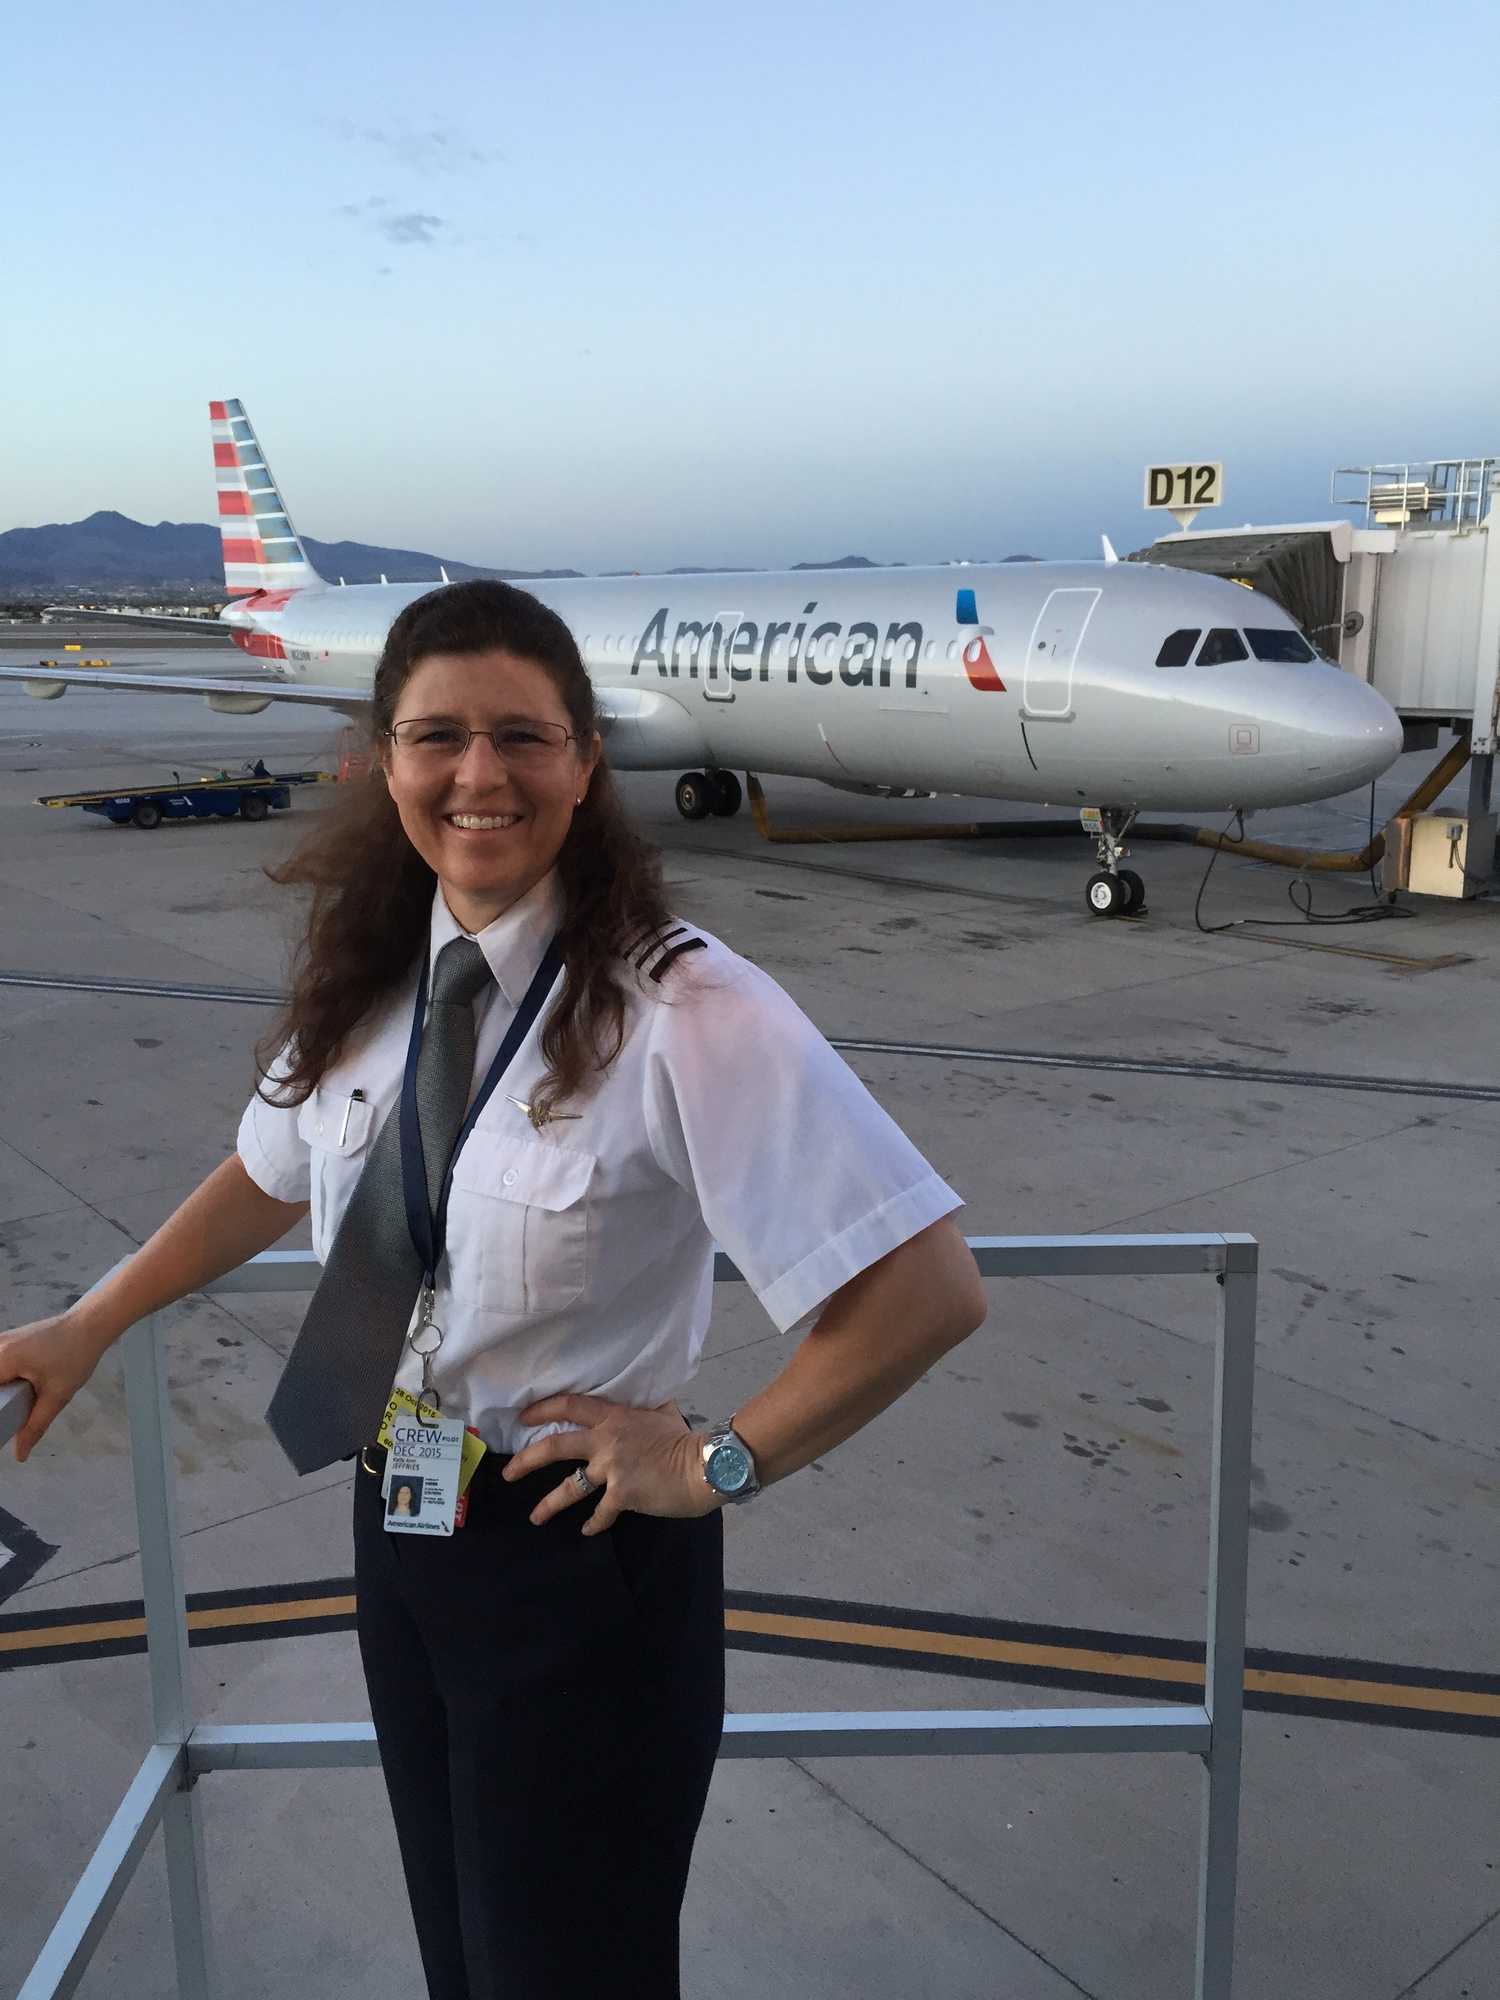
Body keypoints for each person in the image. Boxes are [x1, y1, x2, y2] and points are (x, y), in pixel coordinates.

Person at [0, 579, 986, 2000]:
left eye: (522, 737)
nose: (480, 776)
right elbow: (268, 1171)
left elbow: (927, 1286)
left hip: (571, 1550)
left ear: (586, 763)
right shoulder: (376, 975)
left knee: (565, 1968)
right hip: (400, 1508)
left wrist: (717, 1459)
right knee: (461, 1947)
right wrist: (89, 1322)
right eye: (437, 736)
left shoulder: (682, 1008)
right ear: (385, 760)